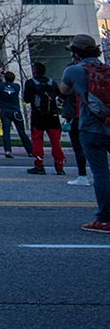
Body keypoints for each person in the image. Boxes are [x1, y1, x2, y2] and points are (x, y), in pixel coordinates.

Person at [57, 34, 109, 232]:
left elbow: (64, 91)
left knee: (101, 174)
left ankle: (104, 219)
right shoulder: (107, 69)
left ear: (76, 53)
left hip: (91, 128)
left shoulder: (74, 70)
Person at [24, 61, 65, 175]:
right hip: (53, 115)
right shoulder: (52, 82)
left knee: (37, 140)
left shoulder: (30, 83)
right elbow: (59, 96)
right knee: (56, 141)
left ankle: (39, 165)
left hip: (38, 116)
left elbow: (26, 99)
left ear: (35, 71)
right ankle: (59, 165)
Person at [0, 67, 31, 158]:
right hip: (16, 111)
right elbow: (10, 77)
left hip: (5, 112)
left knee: (6, 132)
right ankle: (30, 151)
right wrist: (6, 73)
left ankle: (8, 151)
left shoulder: (0, 86)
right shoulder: (17, 86)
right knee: (22, 132)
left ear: (5, 78)